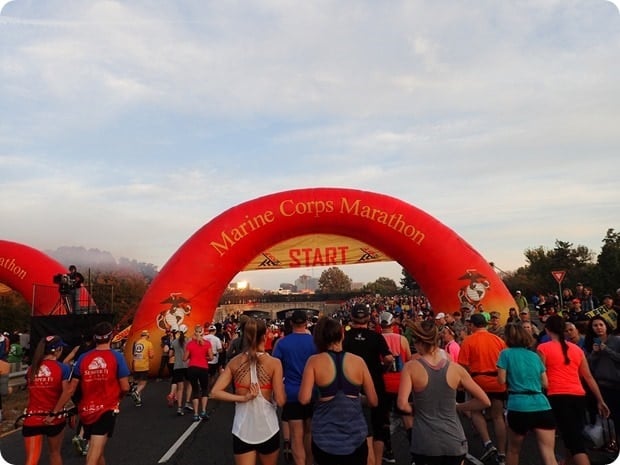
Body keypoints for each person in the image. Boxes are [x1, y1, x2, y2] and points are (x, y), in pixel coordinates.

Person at [397, 319, 491, 465]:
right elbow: (484, 401)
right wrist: (458, 407)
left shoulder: (411, 367)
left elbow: (402, 405)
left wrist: (419, 407)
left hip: (425, 442)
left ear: (419, 343)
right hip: (454, 440)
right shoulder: (455, 368)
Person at [299, 317, 378, 465]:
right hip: (355, 437)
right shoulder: (358, 362)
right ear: (342, 334)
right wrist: (357, 398)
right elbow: (373, 401)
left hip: (325, 438)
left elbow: (303, 398)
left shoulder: (314, 362)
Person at [211, 318, 286, 465]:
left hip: (242, 429)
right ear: (264, 336)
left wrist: (243, 398)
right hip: (268, 428)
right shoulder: (274, 363)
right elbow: (281, 400)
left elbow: (215, 392)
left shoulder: (235, 362)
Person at [537, 315, 610, 465]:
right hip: (578, 396)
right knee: (571, 434)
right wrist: (600, 400)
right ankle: (569, 461)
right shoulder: (577, 349)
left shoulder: (543, 348)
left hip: (556, 395)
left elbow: (540, 375)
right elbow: (588, 377)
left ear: (547, 330)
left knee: (575, 441)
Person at [70, 321, 131, 465]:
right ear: (110, 337)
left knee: (98, 451)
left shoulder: (83, 358)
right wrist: (119, 397)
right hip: (106, 409)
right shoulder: (117, 357)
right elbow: (125, 387)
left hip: (86, 409)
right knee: (93, 453)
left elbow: (72, 387)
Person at [497, 323, 558, 465]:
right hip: (542, 404)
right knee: (549, 454)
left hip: (518, 404)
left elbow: (501, 380)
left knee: (513, 450)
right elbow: (545, 383)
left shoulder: (505, 354)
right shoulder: (534, 356)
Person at [343, 303, 394, 465]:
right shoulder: (376, 336)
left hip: (351, 385)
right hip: (375, 383)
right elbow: (389, 358)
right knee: (378, 426)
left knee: (351, 426)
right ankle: (376, 461)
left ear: (351, 317)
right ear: (368, 318)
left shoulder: (345, 336)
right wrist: (382, 368)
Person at [458, 313, 508, 464]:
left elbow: (463, 365)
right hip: (498, 381)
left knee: (475, 411)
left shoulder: (468, 341)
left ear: (472, 325)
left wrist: (464, 383)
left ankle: (488, 443)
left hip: (478, 381)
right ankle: (502, 452)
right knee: (498, 416)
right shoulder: (498, 340)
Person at [272, 309, 316, 465]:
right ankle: (310, 461)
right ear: (306, 323)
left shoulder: (282, 343)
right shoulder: (315, 342)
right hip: (312, 392)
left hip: (291, 392)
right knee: (309, 433)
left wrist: (277, 391)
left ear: (291, 323)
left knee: (296, 436)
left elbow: (275, 368)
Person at [23, 335, 74, 465]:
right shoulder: (63, 368)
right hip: (54, 419)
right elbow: (67, 391)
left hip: (32, 417)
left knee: (31, 460)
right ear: (57, 350)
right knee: (54, 453)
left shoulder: (31, 369)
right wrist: (54, 413)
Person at [584, 315, 620, 448]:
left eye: (601, 324)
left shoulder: (616, 340)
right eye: (595, 325)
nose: (598, 328)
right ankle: (609, 442)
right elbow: (589, 366)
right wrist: (594, 353)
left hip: (616, 385)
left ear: (606, 326)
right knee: (605, 416)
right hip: (600, 386)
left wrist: (607, 350)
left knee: (617, 417)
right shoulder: (593, 342)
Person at [183, 324, 214, 421]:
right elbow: (211, 357)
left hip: (192, 367)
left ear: (194, 333)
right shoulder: (207, 344)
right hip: (203, 367)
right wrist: (204, 358)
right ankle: (203, 411)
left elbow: (184, 358)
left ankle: (196, 414)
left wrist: (191, 356)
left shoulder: (190, 344)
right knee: (205, 389)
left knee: (195, 390)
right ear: (203, 333)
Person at [130, 330, 153, 407]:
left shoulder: (136, 343)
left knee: (138, 383)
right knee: (143, 383)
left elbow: (133, 353)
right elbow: (151, 355)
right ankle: (136, 393)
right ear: (147, 336)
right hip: (144, 365)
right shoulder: (149, 343)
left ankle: (138, 401)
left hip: (136, 365)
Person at [204, 323, 224, 393]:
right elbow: (220, 350)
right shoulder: (217, 339)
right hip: (214, 359)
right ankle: (209, 388)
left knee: (205, 375)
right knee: (212, 375)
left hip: (204, 358)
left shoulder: (204, 338)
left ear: (209, 331)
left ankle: (204, 387)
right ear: (215, 331)